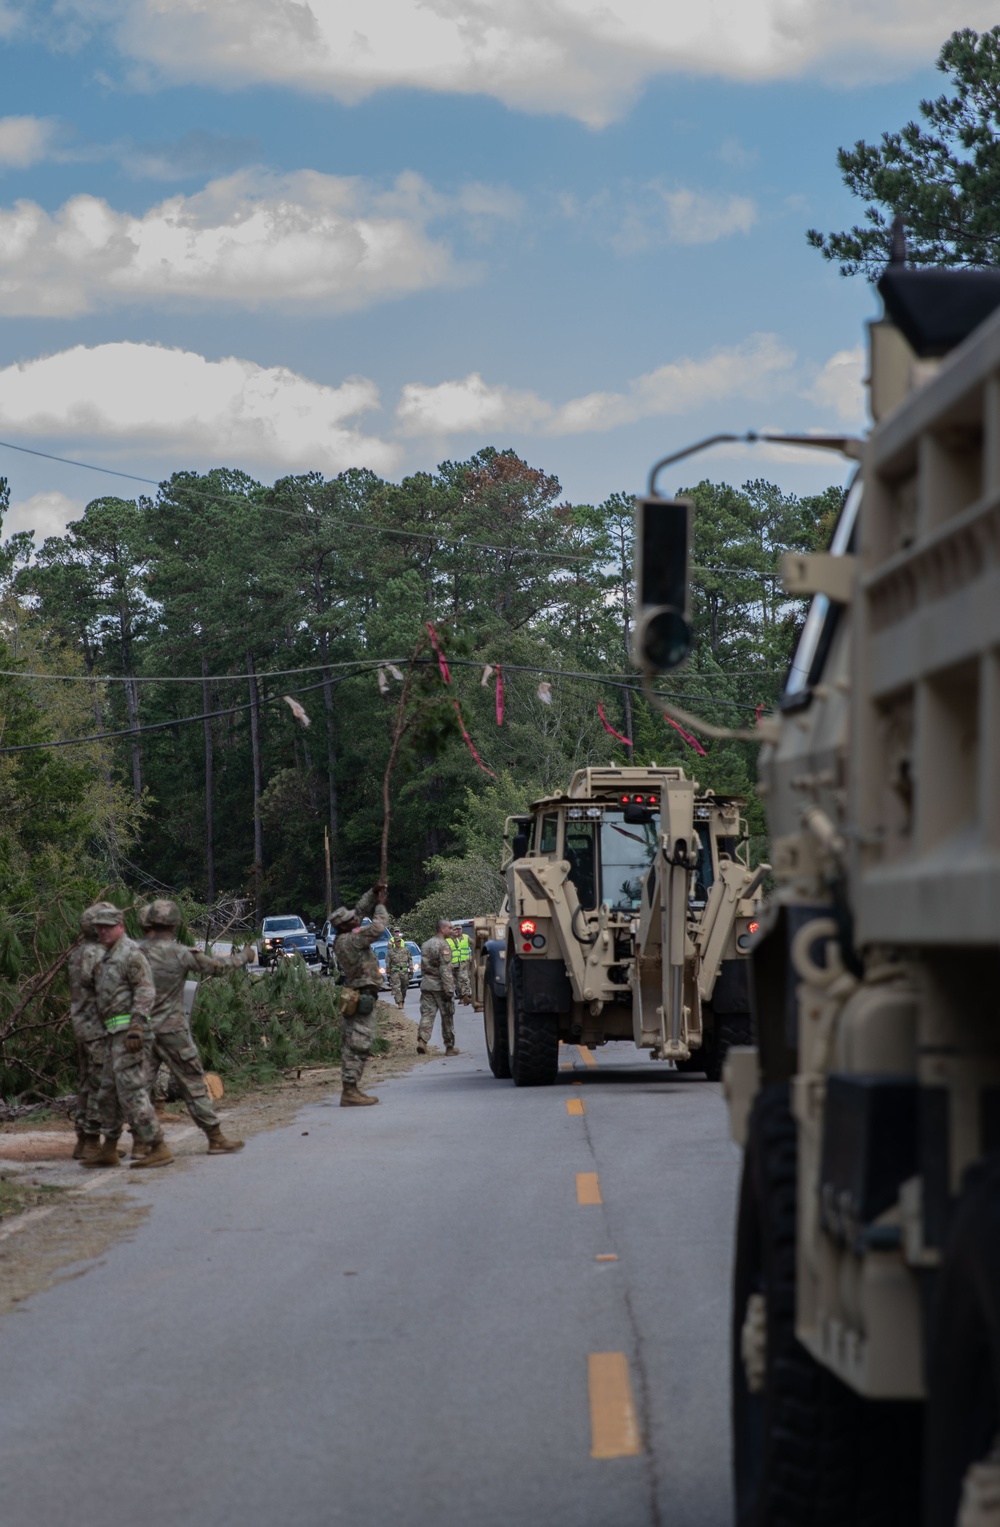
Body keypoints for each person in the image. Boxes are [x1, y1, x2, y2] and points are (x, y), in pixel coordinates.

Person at [138, 899, 254, 1156]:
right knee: (193, 1083)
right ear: (175, 924)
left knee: (138, 1088)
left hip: (141, 1030)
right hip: (173, 1031)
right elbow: (218, 967)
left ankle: (141, 1142)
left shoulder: (133, 953)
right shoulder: (180, 954)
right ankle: (215, 1138)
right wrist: (245, 956)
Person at [83, 902, 172, 1171]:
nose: (103, 932)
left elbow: (145, 991)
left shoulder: (131, 954)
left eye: (108, 927)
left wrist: (136, 1027)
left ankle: (157, 1146)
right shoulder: (108, 956)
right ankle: (109, 1148)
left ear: (120, 927)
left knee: (132, 1093)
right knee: (107, 1093)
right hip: (113, 1034)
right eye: (99, 927)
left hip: (130, 1035)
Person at [330, 882, 389, 1106]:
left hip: (359, 992)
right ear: (345, 925)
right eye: (352, 920)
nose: (356, 919)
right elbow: (378, 927)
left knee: (356, 1040)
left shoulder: (344, 936)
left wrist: (372, 893)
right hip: (361, 994)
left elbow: (359, 910)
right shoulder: (352, 940)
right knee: (359, 1042)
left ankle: (352, 1088)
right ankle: (350, 1090)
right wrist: (381, 906)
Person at [67, 906, 107, 1161]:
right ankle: (92, 1141)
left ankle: (82, 1139)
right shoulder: (99, 956)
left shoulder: (78, 953)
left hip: (82, 1024)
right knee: (99, 1083)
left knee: (85, 1083)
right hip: (98, 1028)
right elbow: (108, 993)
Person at [418, 920, 457, 1055]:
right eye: (450, 928)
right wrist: (449, 990)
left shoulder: (425, 944)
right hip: (439, 986)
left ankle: (422, 1041)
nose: (452, 930)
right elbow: (445, 970)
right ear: (442, 929)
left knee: (427, 1014)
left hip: (426, 984)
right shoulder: (443, 945)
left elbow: (424, 966)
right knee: (447, 1016)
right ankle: (449, 1047)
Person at [446, 923, 473, 1004]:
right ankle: (461, 997)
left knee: (464, 980)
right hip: (451, 964)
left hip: (463, 963)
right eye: (455, 929)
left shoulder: (465, 937)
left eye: (459, 929)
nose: (457, 931)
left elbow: (474, 944)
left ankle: (466, 996)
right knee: (456, 983)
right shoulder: (447, 940)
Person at [385, 928, 412, 1009]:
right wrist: (388, 972)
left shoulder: (405, 950)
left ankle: (402, 1000)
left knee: (404, 987)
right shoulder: (391, 951)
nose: (399, 942)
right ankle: (399, 1002)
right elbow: (388, 962)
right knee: (397, 988)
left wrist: (411, 969)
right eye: (397, 941)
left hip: (404, 971)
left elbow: (410, 959)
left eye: (399, 941)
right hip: (395, 971)